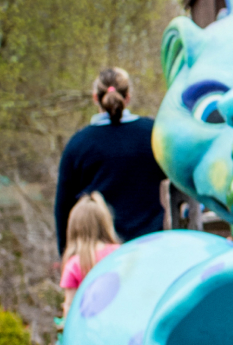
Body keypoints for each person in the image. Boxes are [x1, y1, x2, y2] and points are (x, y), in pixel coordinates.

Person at [53, 68, 167, 255]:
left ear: (95, 98)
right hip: (150, 248)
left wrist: (65, 253)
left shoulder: (79, 144)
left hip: (98, 256)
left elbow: (63, 207)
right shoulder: (153, 134)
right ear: (128, 97)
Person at [58, 193, 120, 315]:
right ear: (105, 223)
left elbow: (70, 307)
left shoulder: (74, 265)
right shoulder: (119, 253)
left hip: (91, 330)